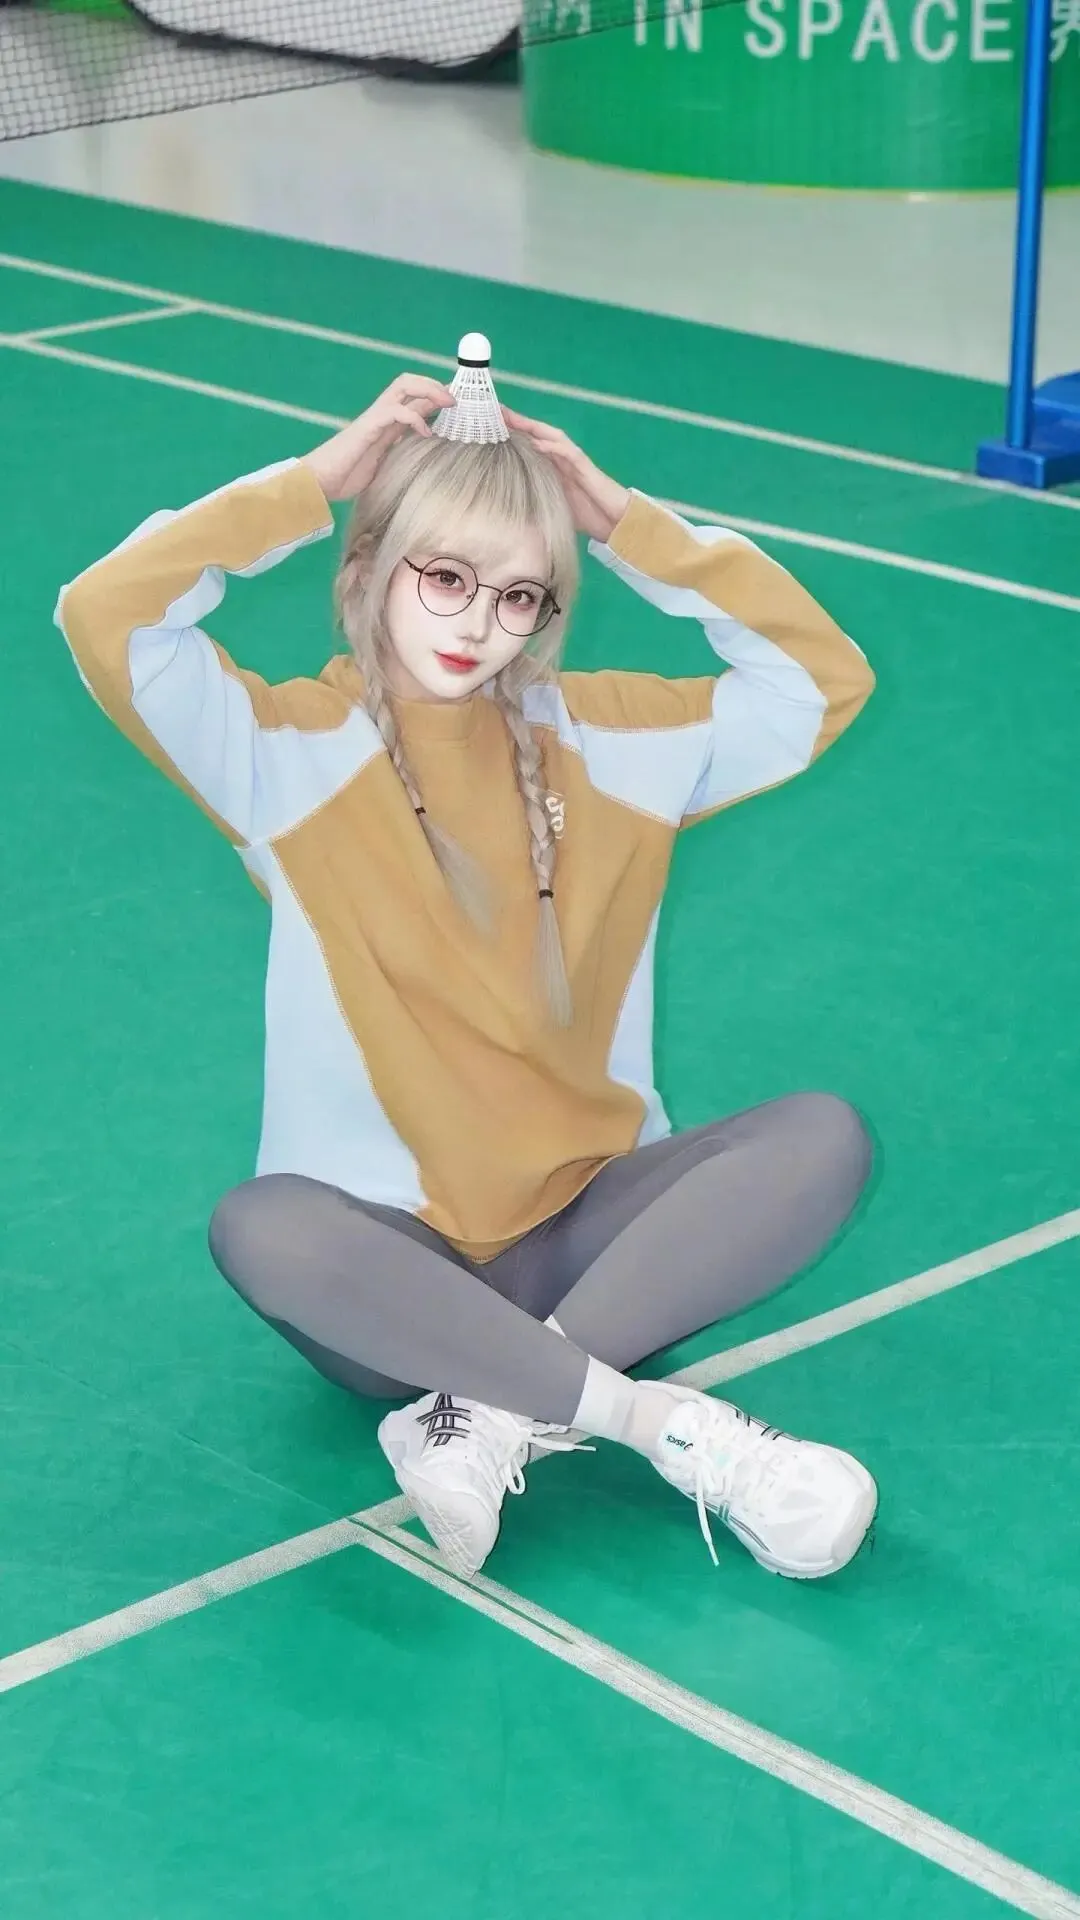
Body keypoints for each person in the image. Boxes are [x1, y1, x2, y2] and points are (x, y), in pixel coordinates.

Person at [55, 337, 878, 1585]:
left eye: (520, 595)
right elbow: (104, 613)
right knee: (264, 1228)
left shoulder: (610, 737)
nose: (479, 625)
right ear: (370, 567)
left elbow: (823, 681)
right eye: (445, 576)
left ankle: (487, 1413)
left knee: (821, 1138)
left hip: (590, 1243)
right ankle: (650, 1423)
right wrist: (315, 482)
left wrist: (623, 522)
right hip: (393, 1273)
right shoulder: (282, 752)